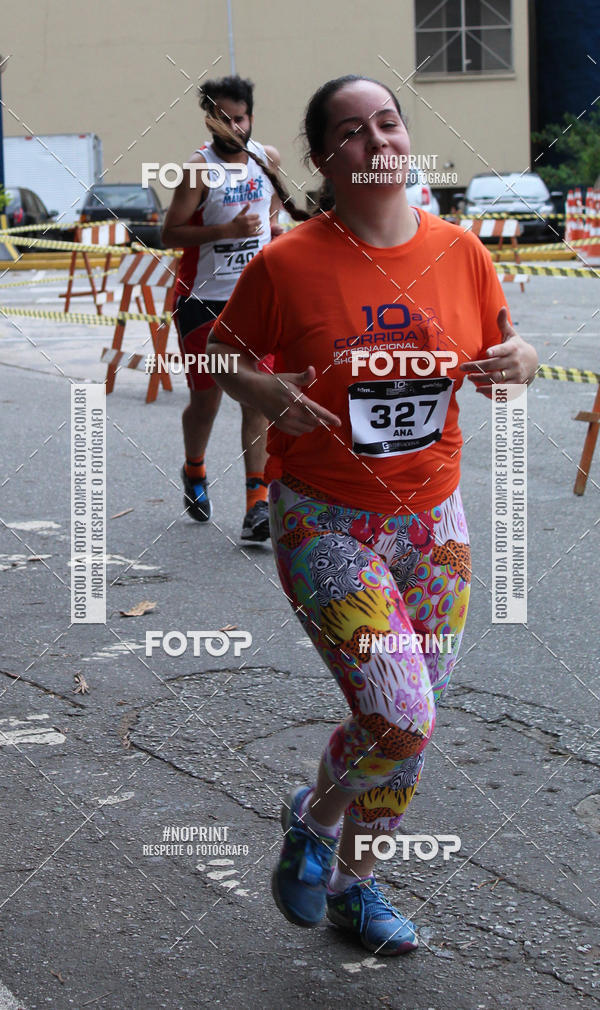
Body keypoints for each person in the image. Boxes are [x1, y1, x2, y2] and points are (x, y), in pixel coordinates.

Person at [207, 75, 538, 955]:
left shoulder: (463, 251)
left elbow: (505, 343)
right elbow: (219, 354)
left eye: (388, 123)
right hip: (327, 522)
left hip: (435, 527)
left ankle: (356, 888)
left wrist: (525, 359)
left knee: (412, 719)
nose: (377, 141)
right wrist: (266, 387)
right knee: (401, 714)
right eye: (352, 132)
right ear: (323, 159)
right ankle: (313, 820)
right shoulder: (287, 263)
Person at [162, 75, 287, 540]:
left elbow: (272, 214)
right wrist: (225, 232)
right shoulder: (198, 169)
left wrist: (273, 234)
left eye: (241, 117)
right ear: (210, 118)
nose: (233, 127)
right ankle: (194, 468)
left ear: (251, 117)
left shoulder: (267, 159)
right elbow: (169, 234)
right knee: (206, 401)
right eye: (224, 118)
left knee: (256, 398)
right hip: (202, 302)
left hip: (255, 302)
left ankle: (257, 505)